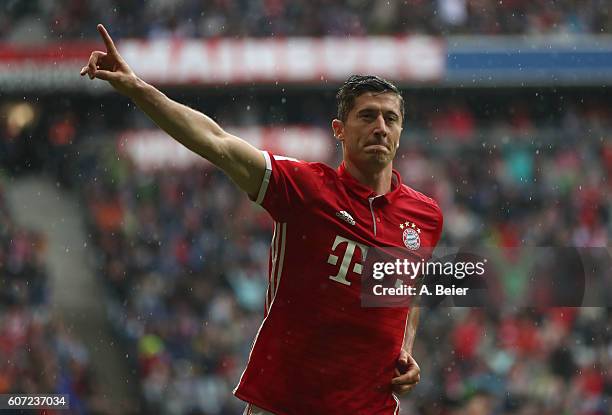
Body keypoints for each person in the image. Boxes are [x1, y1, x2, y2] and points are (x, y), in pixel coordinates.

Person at [81, 24, 443, 415]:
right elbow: (217, 141)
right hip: (285, 403)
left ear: (401, 131)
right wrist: (137, 87)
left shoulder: (425, 215)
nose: (380, 128)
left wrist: (404, 349)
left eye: (390, 118)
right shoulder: (305, 188)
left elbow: (410, 283)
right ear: (339, 130)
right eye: (368, 116)